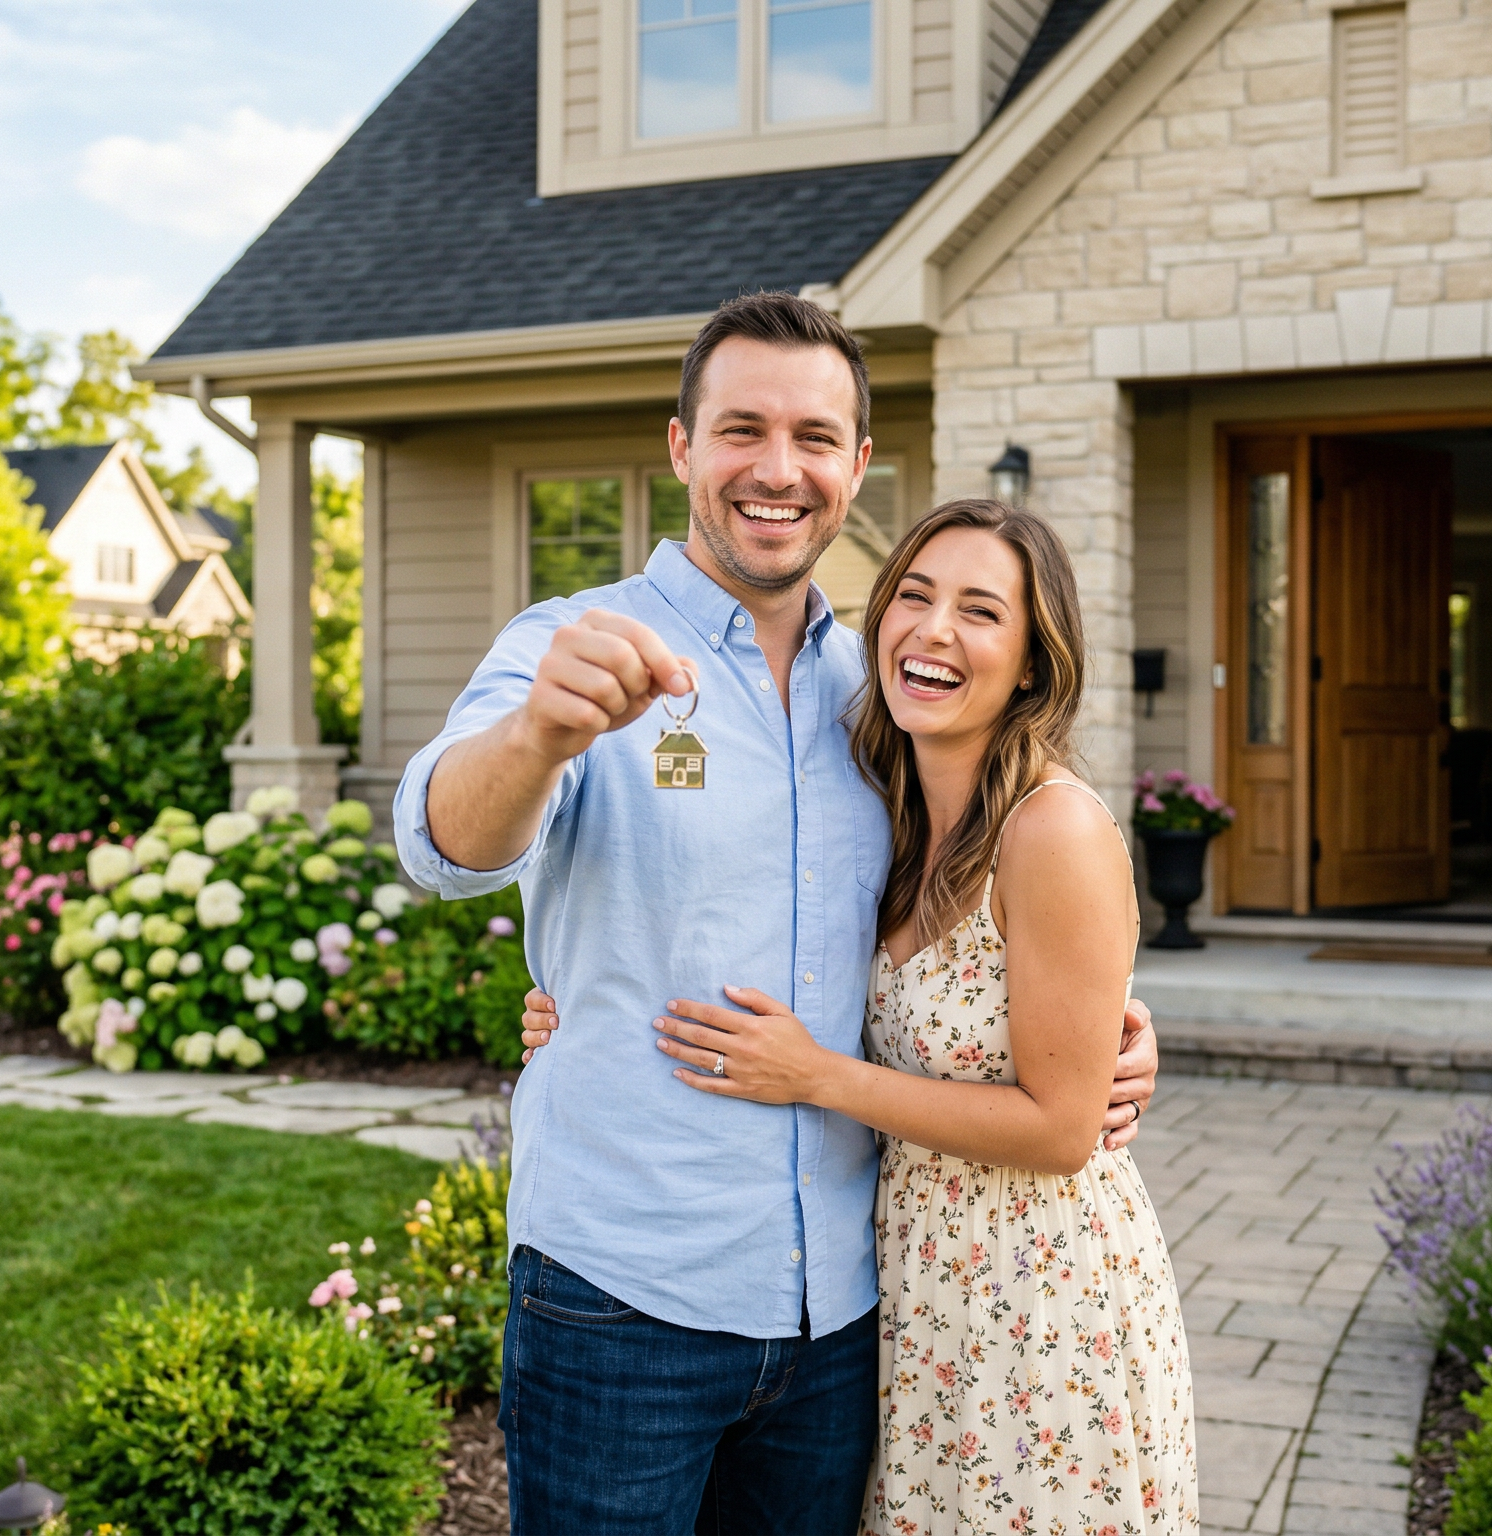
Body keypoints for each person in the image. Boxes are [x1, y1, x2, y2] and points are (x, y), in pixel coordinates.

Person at [391, 291, 1159, 1536]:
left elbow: (973, 895)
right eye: (741, 428)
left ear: (858, 466)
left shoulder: (884, 686)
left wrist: (1107, 1021)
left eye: (814, 437)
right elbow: (442, 846)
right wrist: (538, 734)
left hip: (846, 1316)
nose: (777, 468)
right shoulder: (569, 646)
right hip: (622, 1298)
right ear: (683, 446)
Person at [527, 499, 1198, 1534]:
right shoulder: (887, 805)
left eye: (980, 612)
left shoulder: (1051, 826)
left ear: (1030, 662)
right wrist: (587, 1003)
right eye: (915, 597)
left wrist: (816, 1076)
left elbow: (1064, 1130)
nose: (932, 631)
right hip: (917, 1298)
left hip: (1036, 1304)